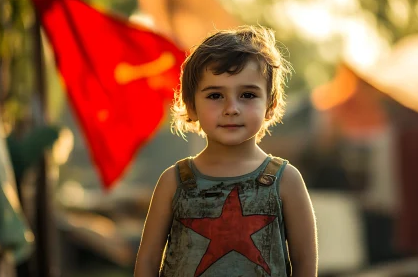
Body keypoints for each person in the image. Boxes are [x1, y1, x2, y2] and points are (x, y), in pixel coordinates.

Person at [135, 25, 318, 277]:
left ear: (270, 105)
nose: (231, 108)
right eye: (215, 96)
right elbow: (147, 261)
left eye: (247, 94)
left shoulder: (286, 181)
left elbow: (305, 264)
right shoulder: (174, 182)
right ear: (190, 106)